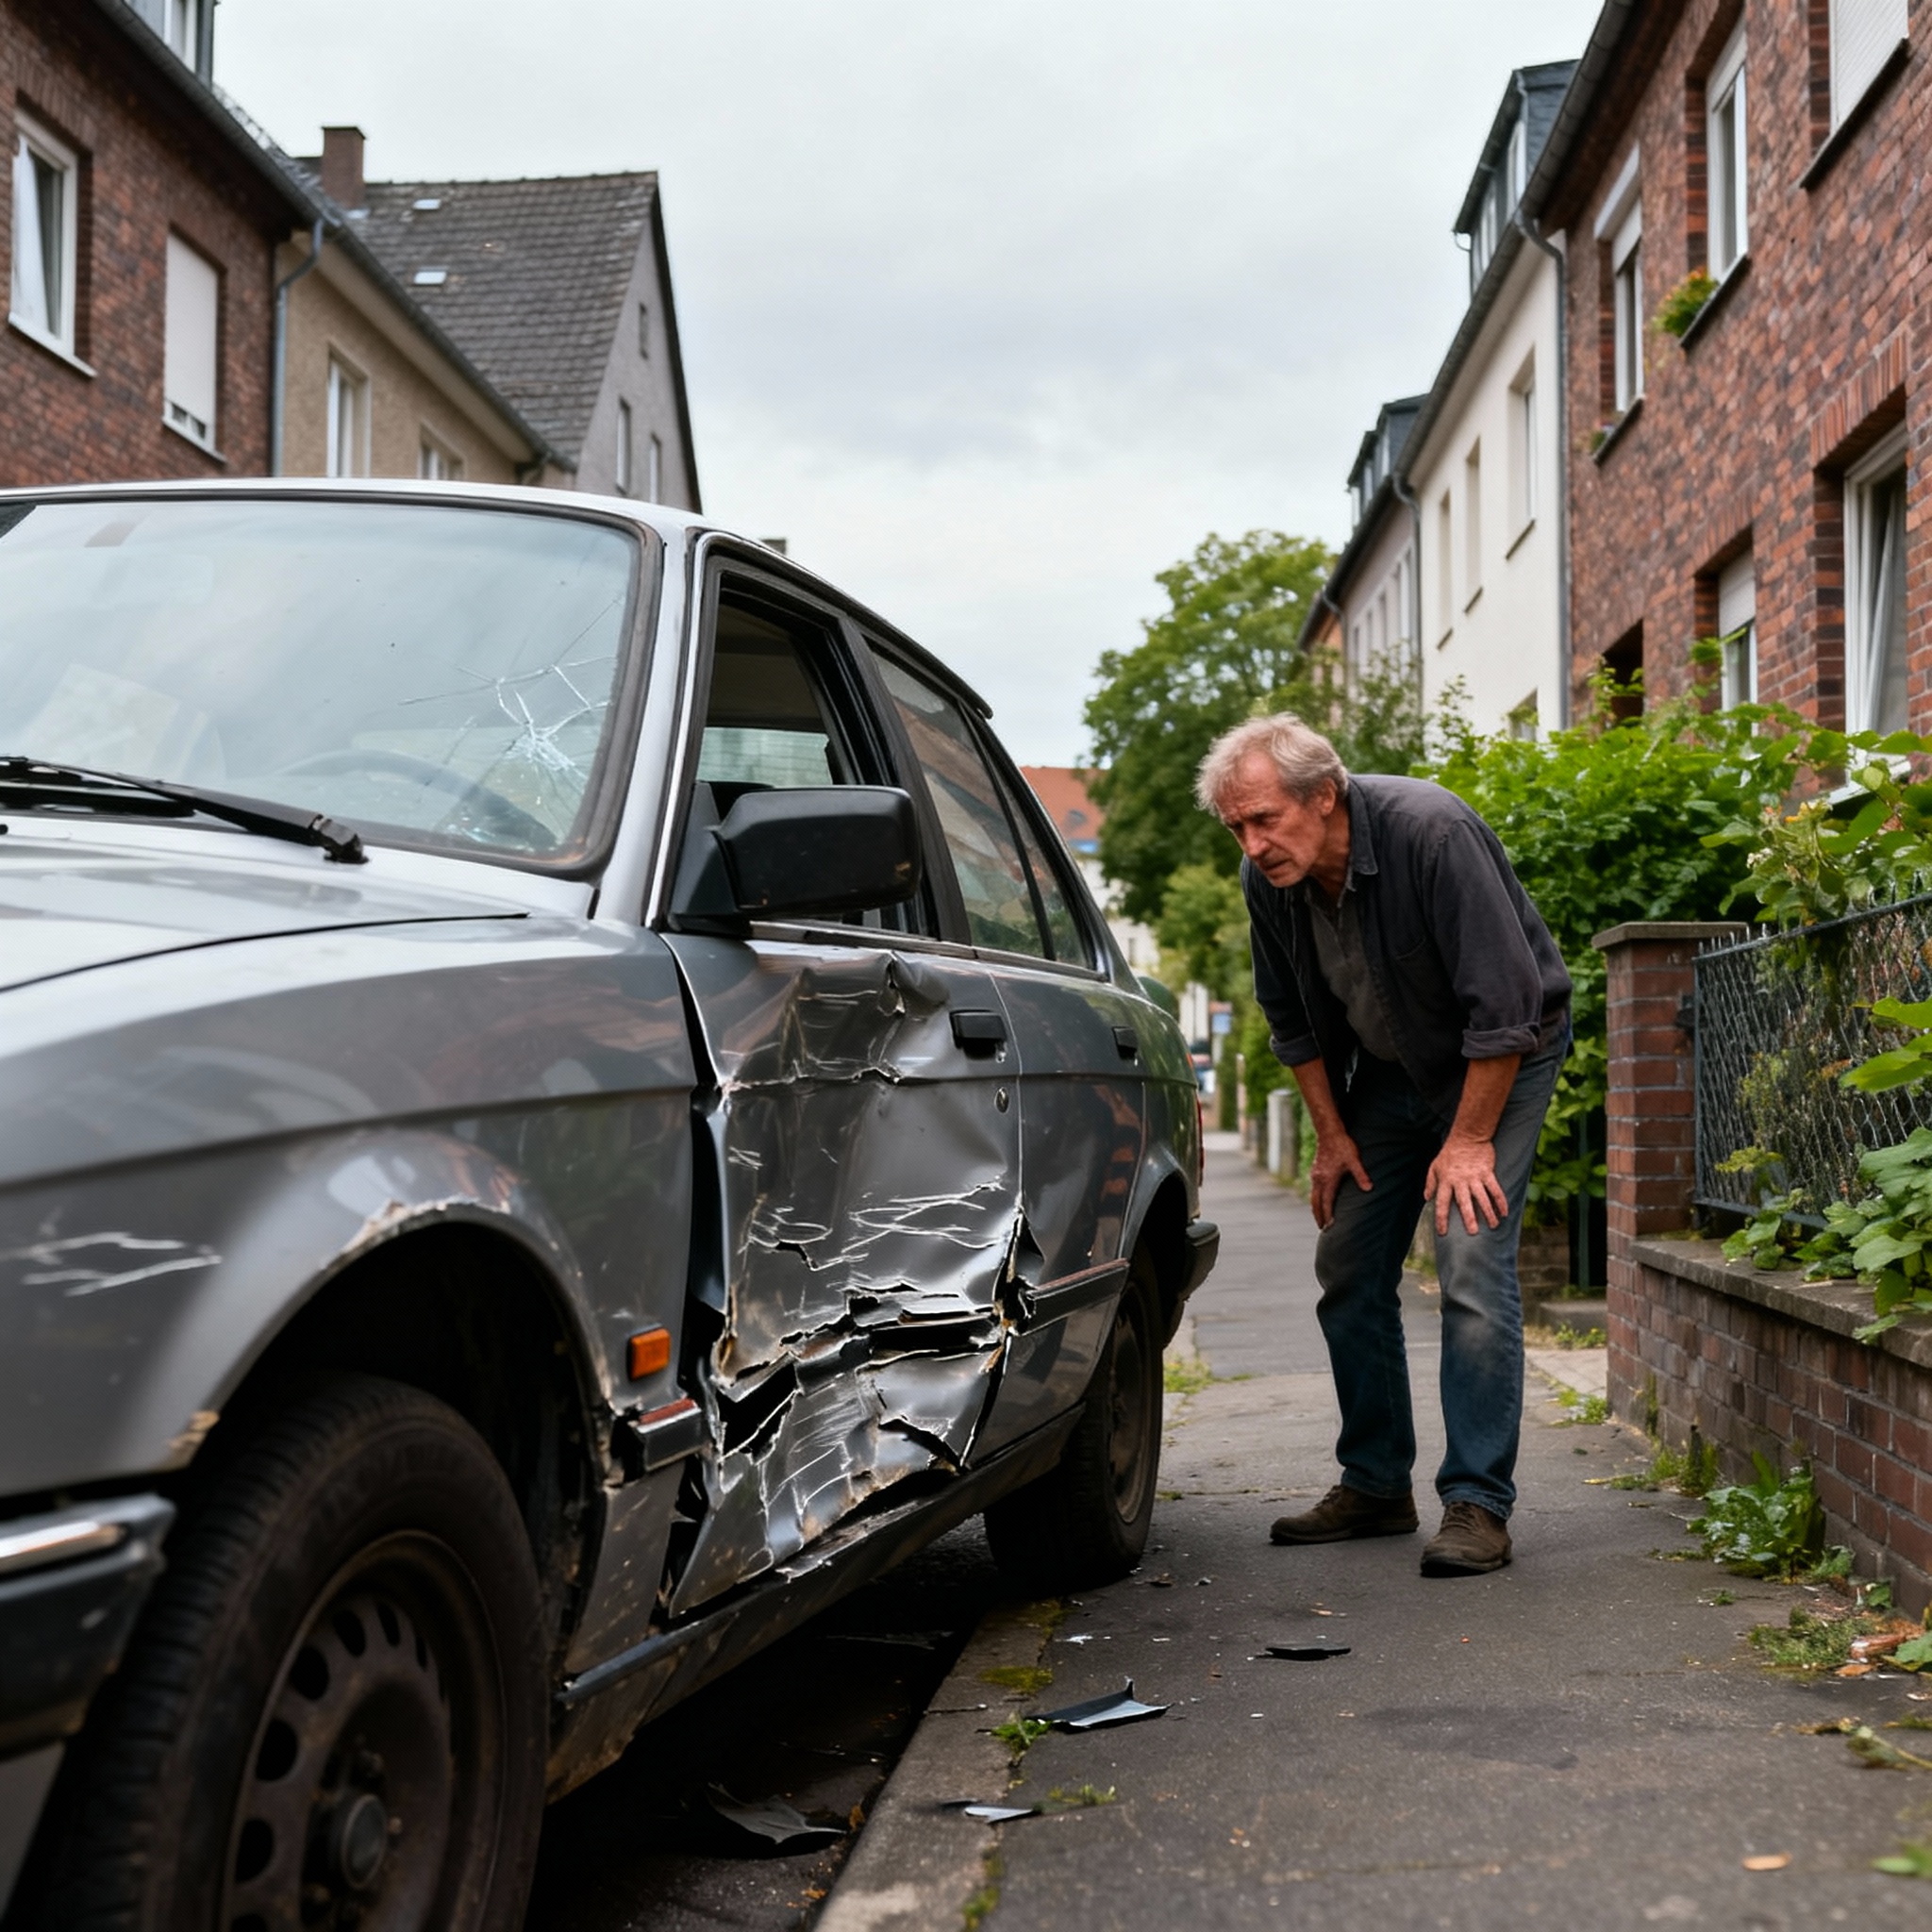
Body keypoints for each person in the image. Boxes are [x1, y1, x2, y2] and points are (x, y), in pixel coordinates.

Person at [1197, 713, 1571, 1576]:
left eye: (1265, 820)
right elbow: (1292, 1021)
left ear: (1323, 795)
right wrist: (1331, 1135)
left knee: (1470, 1255)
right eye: (1237, 828)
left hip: (1502, 1058)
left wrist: (1470, 1141)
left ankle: (1477, 1501)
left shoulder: (1431, 833)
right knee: (1351, 1261)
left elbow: (1508, 1004)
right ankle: (1374, 1484)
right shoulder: (1273, 883)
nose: (1253, 845)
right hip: (1394, 1073)